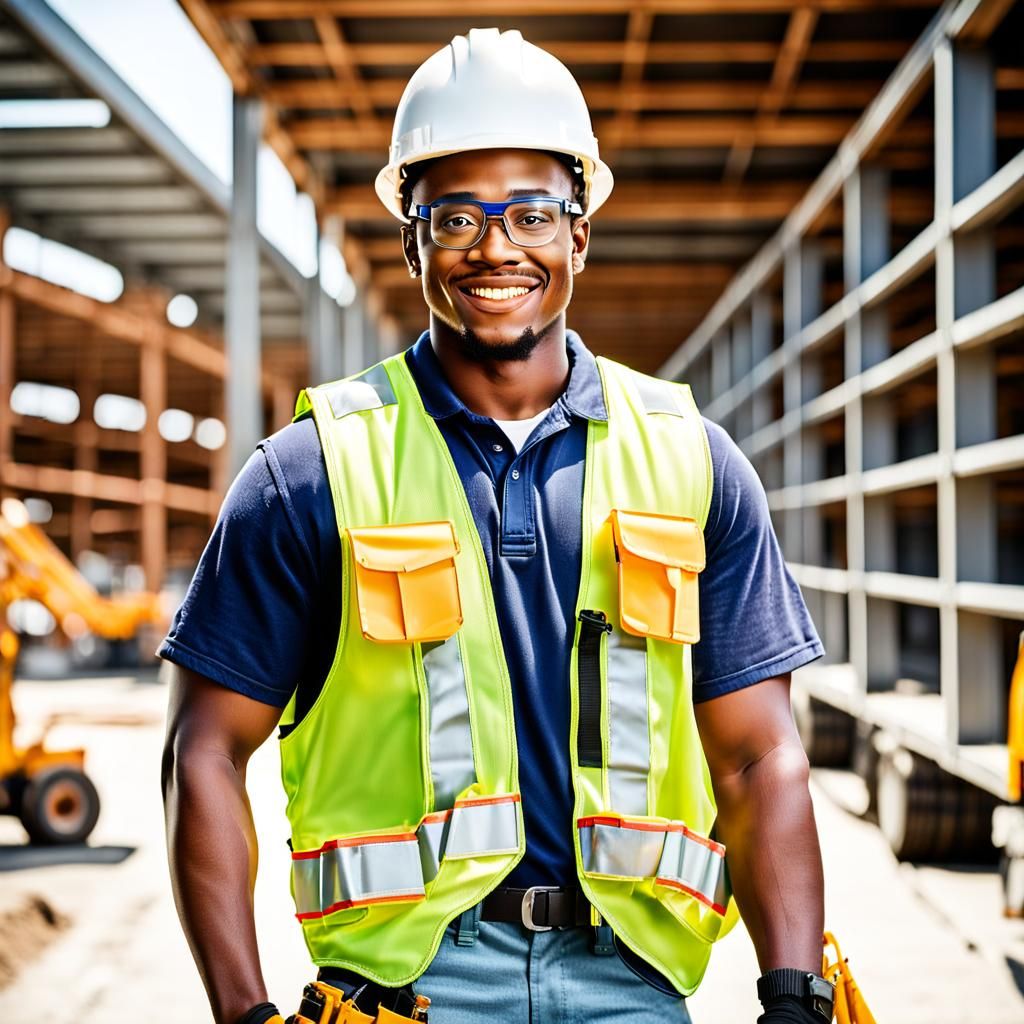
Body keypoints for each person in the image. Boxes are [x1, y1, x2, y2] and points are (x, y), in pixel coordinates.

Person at [161, 28, 832, 1024]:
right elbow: (203, 751)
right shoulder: (309, 475)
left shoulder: (692, 461)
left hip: (631, 978)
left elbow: (757, 753)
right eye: (456, 218)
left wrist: (794, 993)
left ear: (579, 232)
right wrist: (243, 1011)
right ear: (412, 240)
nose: (496, 248)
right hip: (403, 989)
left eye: (530, 213)